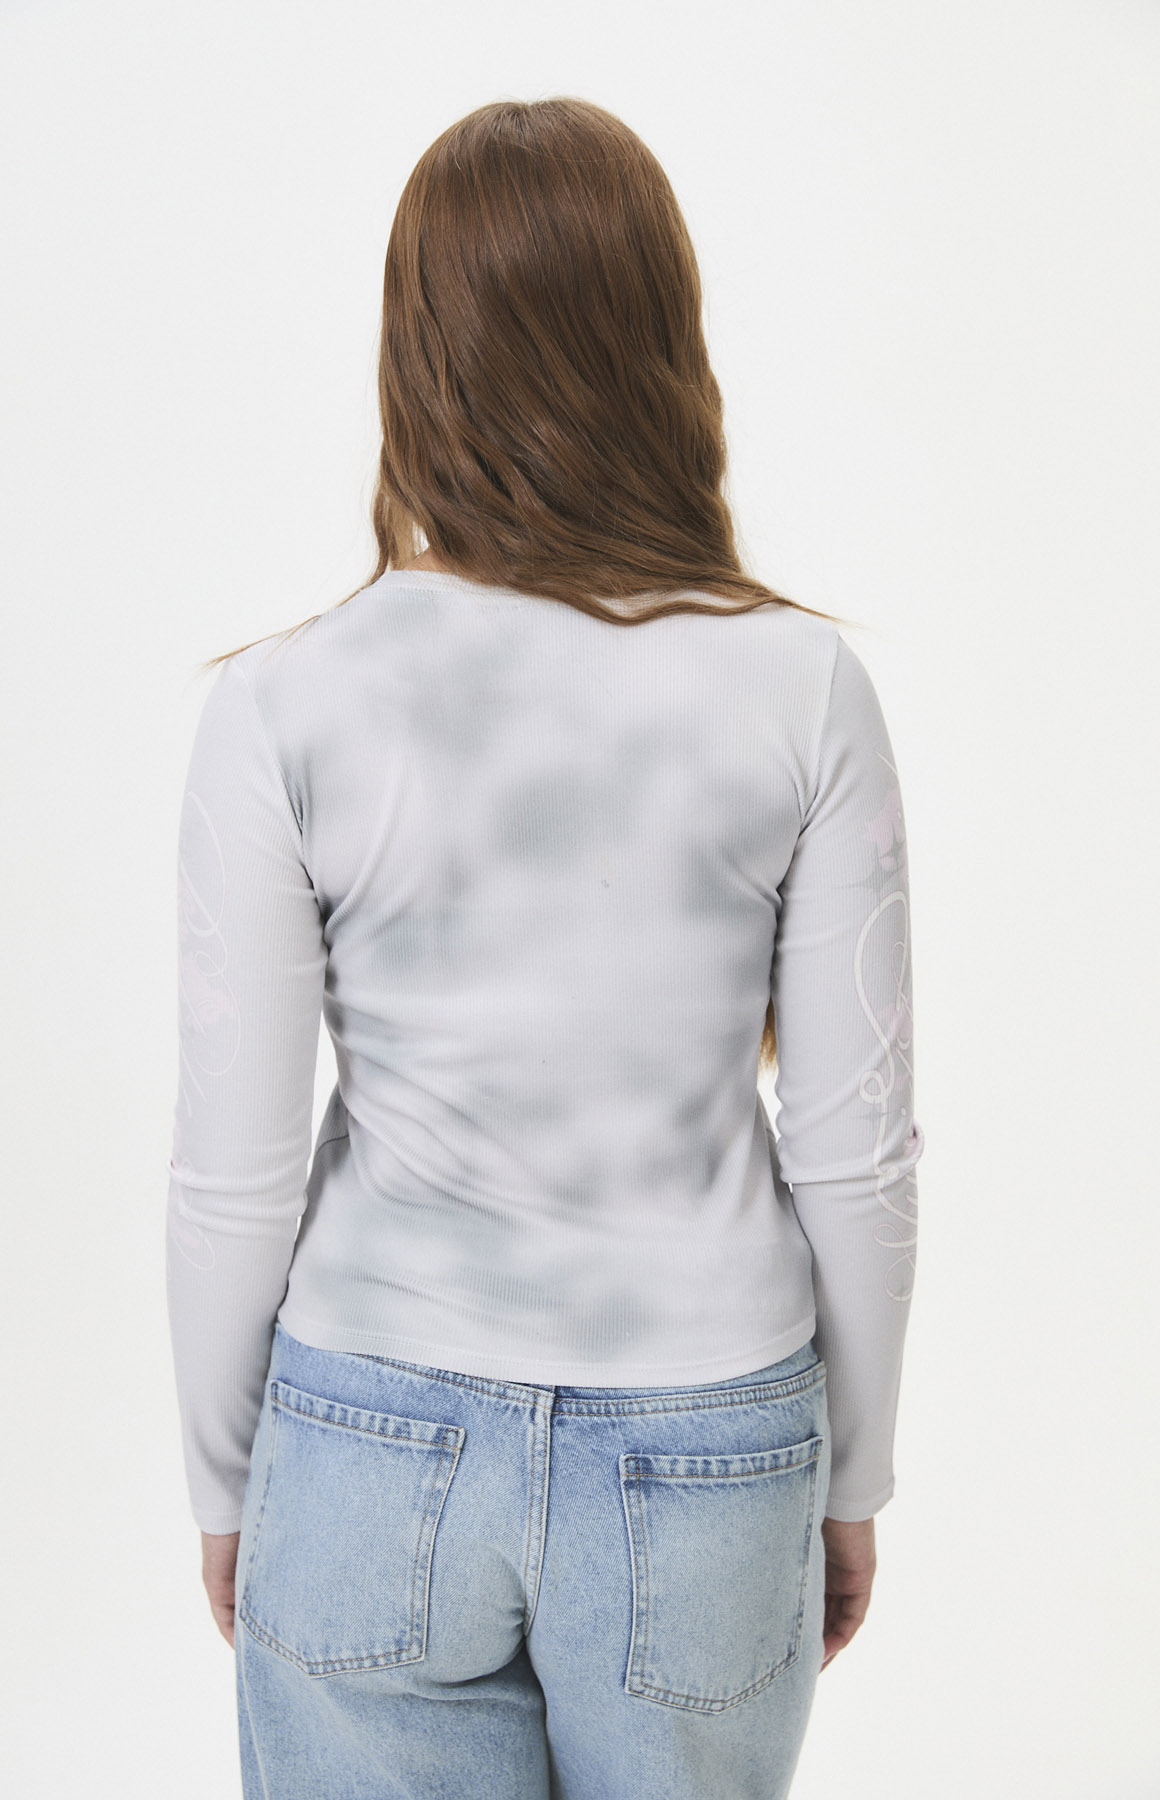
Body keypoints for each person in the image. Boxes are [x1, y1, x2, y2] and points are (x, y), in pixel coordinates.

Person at [167, 94, 924, 1800]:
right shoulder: (805, 689)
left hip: (368, 1438)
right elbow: (855, 1151)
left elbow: (234, 1167)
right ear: (665, 339)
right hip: (711, 1445)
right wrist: (854, 1475)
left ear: (416, 353)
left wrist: (228, 1484)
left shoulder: (283, 705)